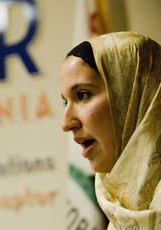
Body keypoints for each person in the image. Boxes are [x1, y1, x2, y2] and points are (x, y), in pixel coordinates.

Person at [60, 31, 161, 230]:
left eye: (82, 95)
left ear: (135, 94)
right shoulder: (116, 211)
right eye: (65, 102)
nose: (66, 123)